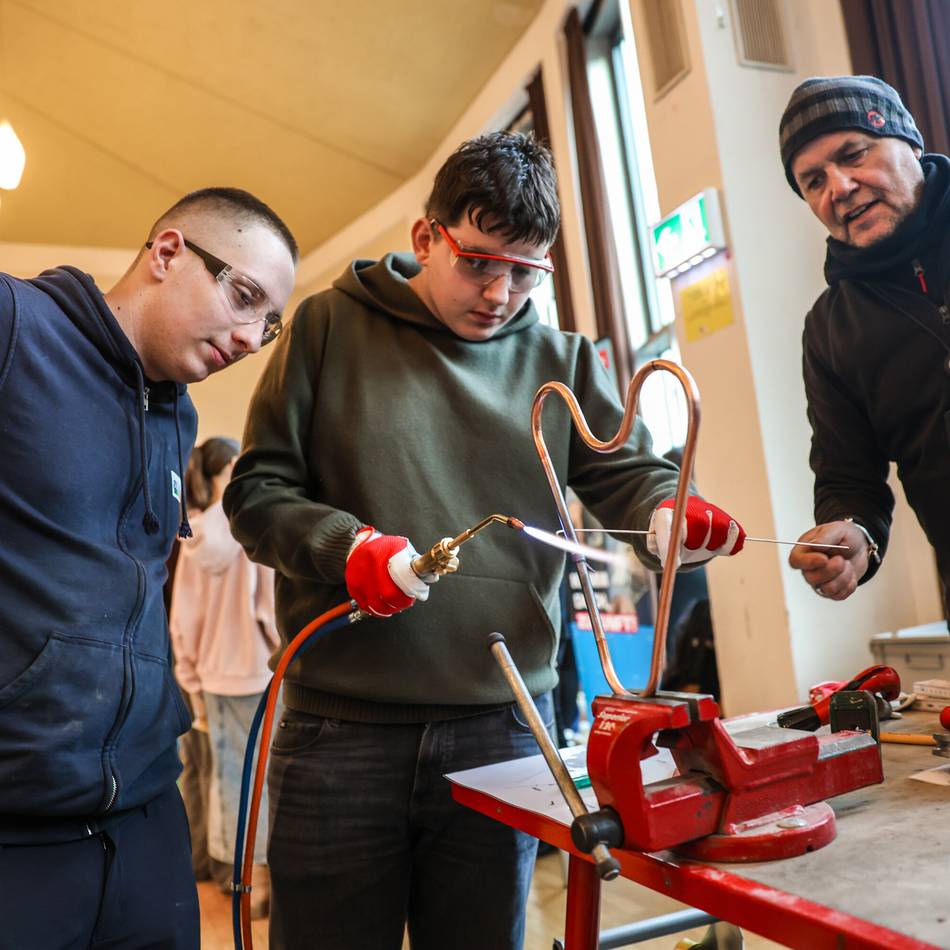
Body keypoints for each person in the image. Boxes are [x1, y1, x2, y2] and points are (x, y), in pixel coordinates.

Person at [224, 131, 744, 950]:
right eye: (478, 264)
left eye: (526, 272)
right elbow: (257, 494)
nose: (500, 293)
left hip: (503, 729)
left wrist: (669, 514)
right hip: (340, 733)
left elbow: (631, 477)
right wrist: (345, 548)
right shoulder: (328, 327)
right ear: (426, 237)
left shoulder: (562, 360)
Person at [0, 187, 297, 949]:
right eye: (243, 296)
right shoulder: (17, 327)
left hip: (145, 813)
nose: (250, 336)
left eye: (268, 322)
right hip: (18, 826)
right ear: (167, 253)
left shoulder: (177, 413)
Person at [779, 76, 950, 613]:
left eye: (853, 154)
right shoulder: (830, 331)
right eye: (813, 181)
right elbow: (848, 478)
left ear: (911, 143)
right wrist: (853, 533)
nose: (839, 187)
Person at [170, 435, 280, 919]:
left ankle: (243, 882)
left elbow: (183, 619)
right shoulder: (250, 527)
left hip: (213, 675)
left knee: (228, 778)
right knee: (262, 778)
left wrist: (190, 677)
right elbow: (266, 608)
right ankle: (264, 883)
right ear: (232, 467)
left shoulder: (194, 534)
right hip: (256, 671)